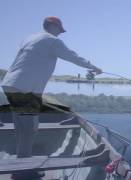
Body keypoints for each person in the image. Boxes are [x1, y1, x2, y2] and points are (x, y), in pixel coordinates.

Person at [1, 16, 102, 179]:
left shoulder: (31, 38)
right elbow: (72, 56)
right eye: (60, 30)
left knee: (21, 126)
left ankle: (20, 161)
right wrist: (94, 67)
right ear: (53, 26)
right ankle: (23, 170)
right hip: (25, 89)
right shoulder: (52, 40)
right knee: (29, 129)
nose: (61, 34)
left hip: (11, 84)